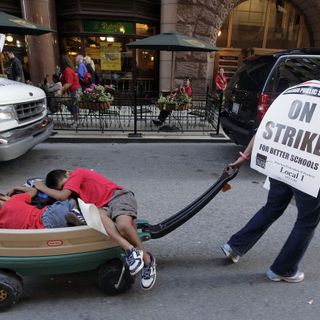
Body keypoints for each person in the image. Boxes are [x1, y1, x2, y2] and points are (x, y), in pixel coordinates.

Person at [34, 167, 157, 290]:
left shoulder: (77, 173)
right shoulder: (75, 193)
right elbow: (65, 198)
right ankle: (130, 250)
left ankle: (147, 260)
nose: (67, 189)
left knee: (123, 226)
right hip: (102, 208)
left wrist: (41, 186)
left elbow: (62, 196)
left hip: (117, 197)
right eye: (63, 188)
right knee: (97, 216)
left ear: (68, 173)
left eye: (65, 185)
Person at [221, 135, 320, 283]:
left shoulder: (286, 109)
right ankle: (283, 269)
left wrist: (244, 156)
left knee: (272, 209)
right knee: (306, 222)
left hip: (283, 164)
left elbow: (264, 128)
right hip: (310, 171)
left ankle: (235, 246)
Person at [0, 186, 82, 229]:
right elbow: (33, 191)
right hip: (48, 217)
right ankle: (77, 214)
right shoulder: (13, 199)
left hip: (42, 233)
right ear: (3, 198)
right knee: (71, 200)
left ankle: (71, 222)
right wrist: (16, 187)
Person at [59, 55, 81, 124]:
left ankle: (76, 121)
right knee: (73, 104)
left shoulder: (67, 70)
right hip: (75, 89)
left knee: (73, 104)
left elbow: (69, 83)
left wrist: (61, 90)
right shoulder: (69, 69)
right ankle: (75, 118)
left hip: (75, 89)